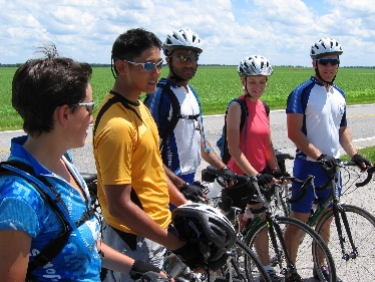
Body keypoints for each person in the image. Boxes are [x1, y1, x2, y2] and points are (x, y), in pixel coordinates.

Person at [0, 45, 167, 281]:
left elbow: (82, 238)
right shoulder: (19, 198)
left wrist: (137, 266)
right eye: (89, 107)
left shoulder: (62, 162)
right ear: (64, 114)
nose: (92, 117)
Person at [93, 28, 212, 282]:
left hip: (154, 230)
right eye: (148, 65)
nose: (157, 71)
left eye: (158, 64)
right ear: (121, 66)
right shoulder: (117, 125)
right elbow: (120, 205)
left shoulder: (140, 107)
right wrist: (178, 246)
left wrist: (187, 207)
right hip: (133, 238)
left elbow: (155, 169)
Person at [284, 37, 371, 282]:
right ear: (315, 63)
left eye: (333, 61)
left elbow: (342, 129)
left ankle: (319, 267)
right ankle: (290, 270)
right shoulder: (302, 92)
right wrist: (319, 156)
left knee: (326, 221)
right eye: (324, 62)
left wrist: (355, 155)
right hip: (308, 167)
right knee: (297, 223)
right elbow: (294, 132)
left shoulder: (339, 95)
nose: (329, 66)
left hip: (332, 168)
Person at [144, 28, 236, 200]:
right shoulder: (160, 94)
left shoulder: (191, 93)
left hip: (188, 181)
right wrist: (181, 185)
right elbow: (146, 152)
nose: (188, 63)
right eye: (181, 57)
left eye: (193, 57)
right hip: (166, 183)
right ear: (169, 60)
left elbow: (201, 142)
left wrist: (223, 168)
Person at [224, 55, 283, 281]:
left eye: (262, 81)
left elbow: (267, 144)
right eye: (253, 81)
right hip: (239, 176)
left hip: (258, 175)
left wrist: (276, 170)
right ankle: (224, 269)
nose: (258, 86)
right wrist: (254, 174)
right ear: (243, 81)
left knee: (261, 221)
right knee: (231, 227)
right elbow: (234, 149)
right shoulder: (237, 106)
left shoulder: (263, 108)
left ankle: (265, 269)